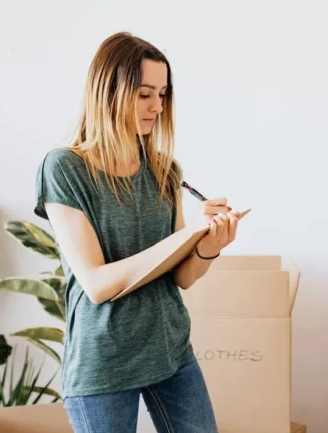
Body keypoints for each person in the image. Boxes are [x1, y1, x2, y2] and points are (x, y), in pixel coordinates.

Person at [33, 32, 240, 432]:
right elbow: (96, 284)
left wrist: (208, 247)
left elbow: (181, 277)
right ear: (108, 91)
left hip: (170, 350)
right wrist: (188, 233)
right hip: (103, 362)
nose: (157, 107)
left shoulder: (164, 170)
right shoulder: (64, 168)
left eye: (162, 94)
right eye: (145, 94)